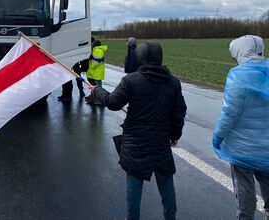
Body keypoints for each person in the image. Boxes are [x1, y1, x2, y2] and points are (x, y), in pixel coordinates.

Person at [90, 41, 187, 220]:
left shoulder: (131, 80)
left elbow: (112, 102)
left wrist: (97, 90)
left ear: (139, 57)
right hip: (160, 141)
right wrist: (175, 135)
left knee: (134, 183)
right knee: (166, 180)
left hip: (135, 142)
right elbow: (179, 112)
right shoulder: (173, 83)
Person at [212, 35, 269, 220]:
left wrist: (218, 137)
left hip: (241, 148)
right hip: (266, 148)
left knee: (244, 186)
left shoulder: (238, 77)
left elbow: (229, 114)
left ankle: (246, 216)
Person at [58, 37, 94, 102]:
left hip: (75, 62)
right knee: (68, 77)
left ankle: (81, 91)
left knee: (78, 77)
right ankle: (65, 94)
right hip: (70, 61)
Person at [85, 39, 108, 104]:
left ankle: (99, 100)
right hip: (95, 72)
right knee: (94, 86)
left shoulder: (98, 51)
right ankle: (93, 97)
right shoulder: (96, 50)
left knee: (98, 87)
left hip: (96, 72)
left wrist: (90, 68)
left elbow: (96, 62)